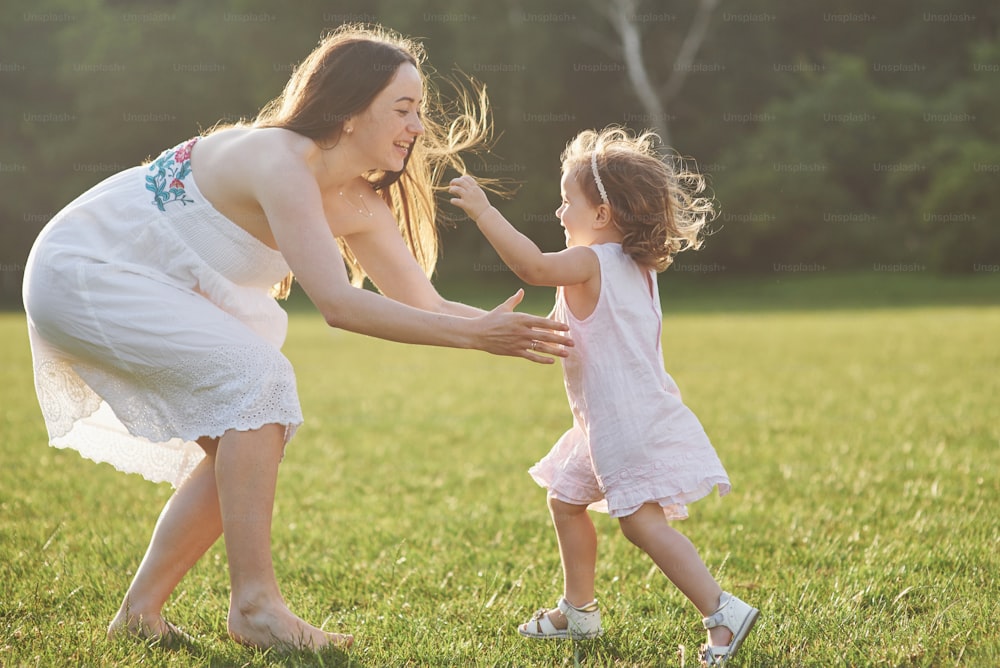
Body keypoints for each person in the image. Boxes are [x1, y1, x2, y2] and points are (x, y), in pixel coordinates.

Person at [21, 24, 571, 652]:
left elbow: (425, 303)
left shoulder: (360, 201)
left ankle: (141, 614)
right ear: (347, 109)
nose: (418, 125)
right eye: (403, 108)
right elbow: (338, 305)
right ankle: (254, 606)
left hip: (152, 280)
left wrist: (529, 332)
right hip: (88, 268)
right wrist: (478, 339)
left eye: (419, 110)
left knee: (251, 429)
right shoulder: (279, 158)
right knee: (260, 381)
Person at [448, 126, 759, 666]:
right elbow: (566, 330)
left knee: (641, 523)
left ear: (602, 215)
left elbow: (532, 267)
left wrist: (482, 211)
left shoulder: (591, 262)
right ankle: (580, 610)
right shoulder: (631, 268)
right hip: (612, 420)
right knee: (566, 500)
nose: (560, 213)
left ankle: (722, 612)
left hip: (623, 423)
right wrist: (490, 326)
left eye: (568, 202)